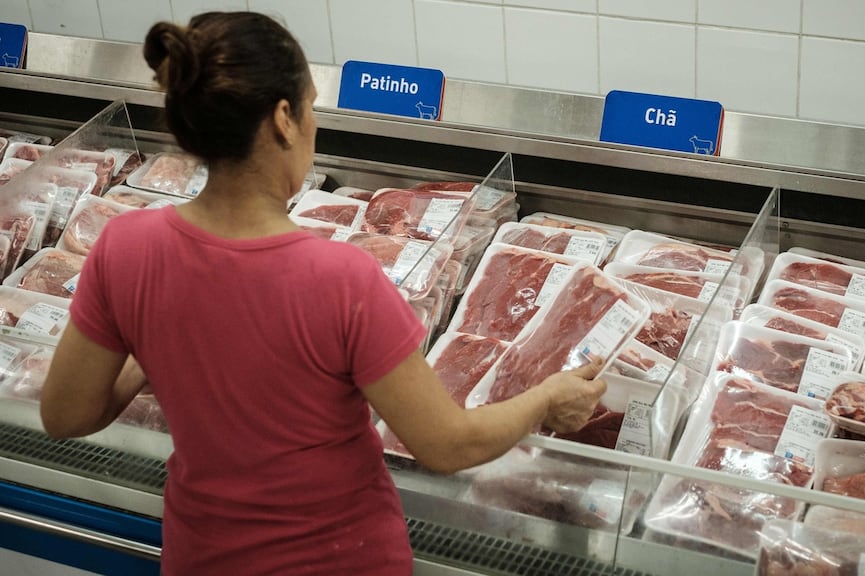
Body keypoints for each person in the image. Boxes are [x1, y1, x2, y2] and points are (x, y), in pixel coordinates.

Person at [38, 11, 606, 576]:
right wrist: (547, 400)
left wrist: (147, 353)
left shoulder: (127, 247)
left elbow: (65, 414)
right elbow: (446, 446)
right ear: (284, 118)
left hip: (202, 556)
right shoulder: (341, 279)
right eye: (311, 106)